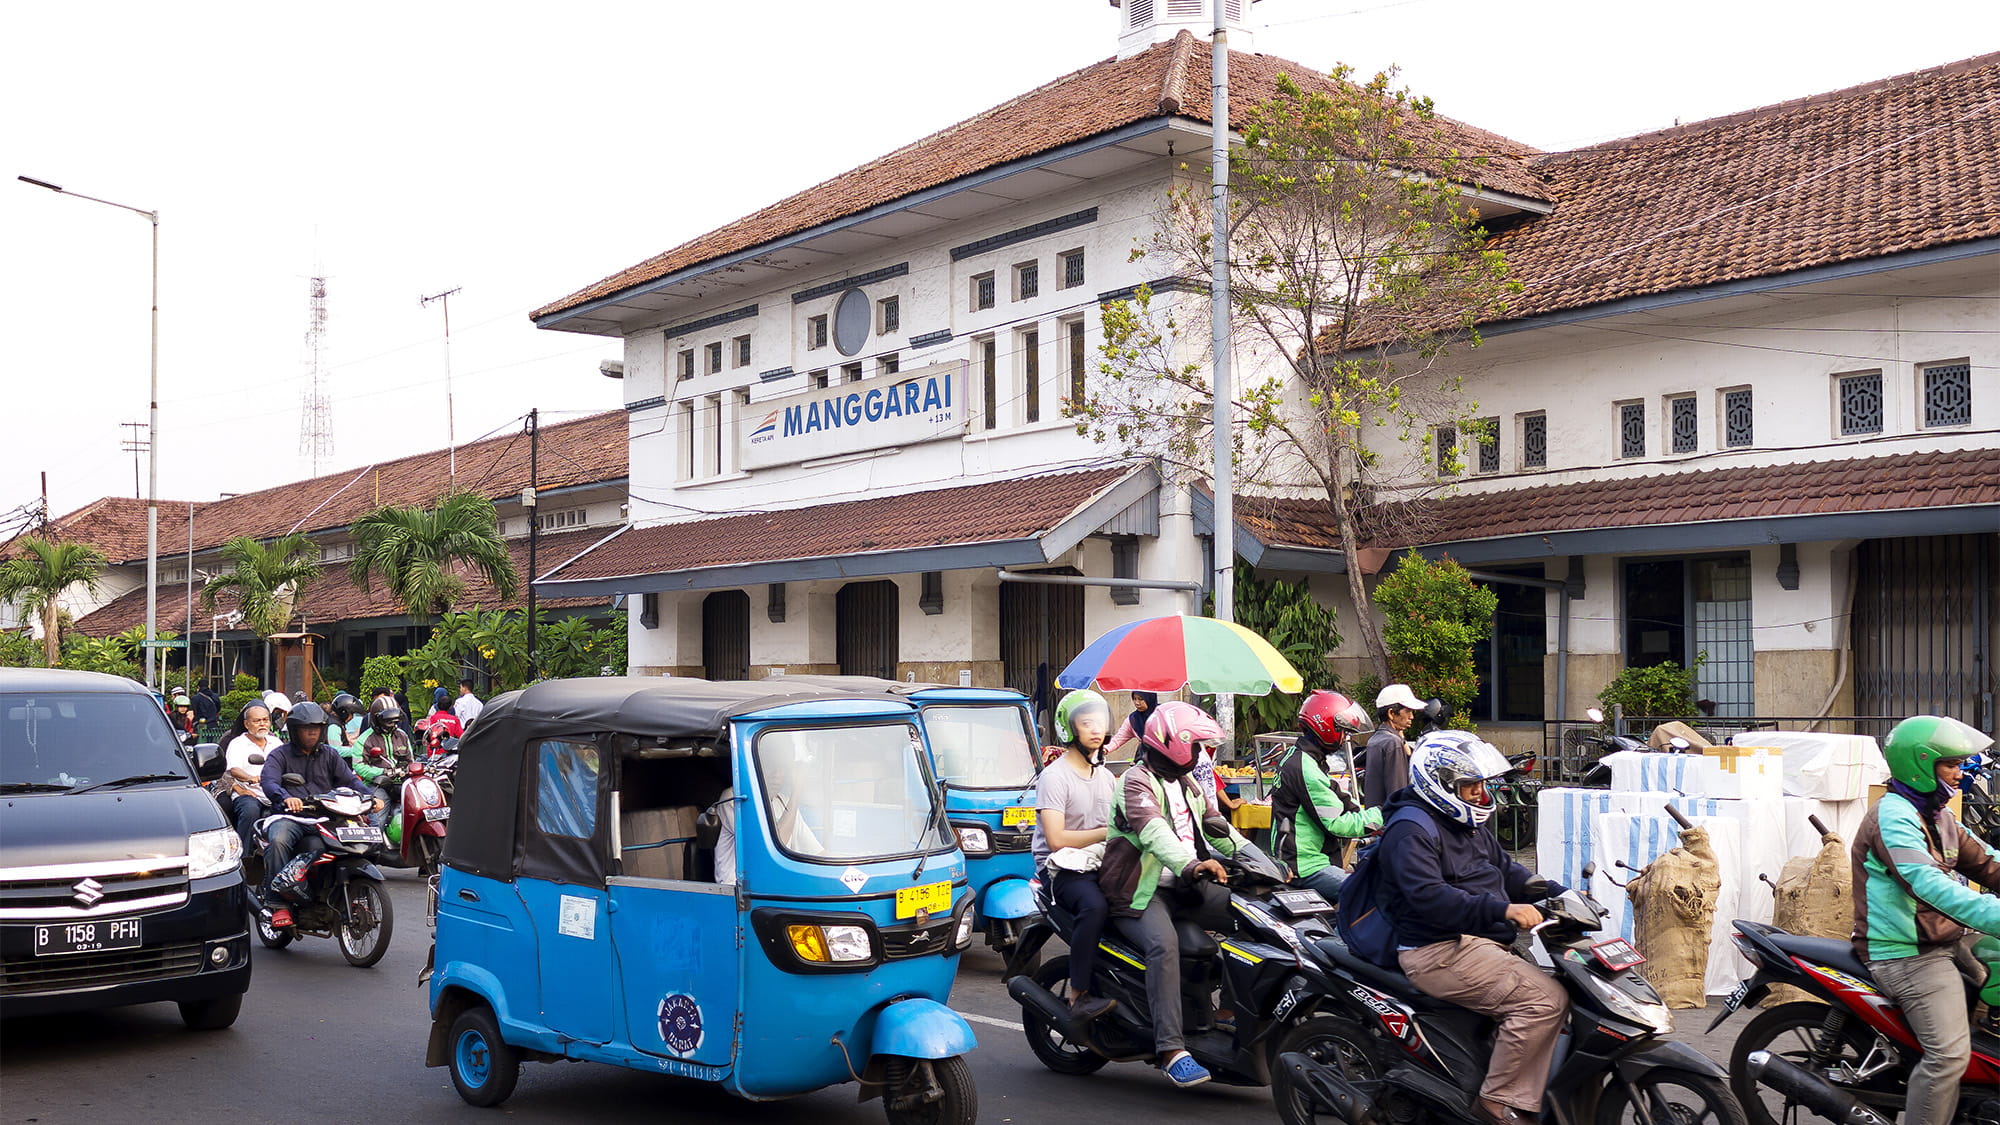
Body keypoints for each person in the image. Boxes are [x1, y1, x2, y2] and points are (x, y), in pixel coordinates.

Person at [1378, 730, 1569, 1125]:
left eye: (1482, 785)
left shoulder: (1465, 822)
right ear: (1441, 785)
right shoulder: (1410, 830)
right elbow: (1431, 898)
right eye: (1470, 786)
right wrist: (1503, 910)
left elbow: (1506, 870)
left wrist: (1560, 893)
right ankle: (1495, 1102)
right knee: (1544, 1001)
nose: (1481, 795)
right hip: (1437, 949)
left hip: (1478, 941)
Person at [1853, 715, 2000, 1125]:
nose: (1960, 772)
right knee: (1950, 1055)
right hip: (1904, 953)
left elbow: (1987, 863)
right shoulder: (1893, 816)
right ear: (1920, 764)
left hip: (1942, 941)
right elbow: (1929, 884)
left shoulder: (1939, 815)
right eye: (1950, 764)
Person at [1100, 701, 1249, 1089]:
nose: (1200, 754)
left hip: (1185, 886)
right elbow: (1153, 832)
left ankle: (1229, 1011)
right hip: (1140, 891)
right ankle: (1171, 1049)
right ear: (1173, 743)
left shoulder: (1188, 784)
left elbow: (1216, 827)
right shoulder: (1135, 781)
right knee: (1163, 946)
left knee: (1253, 918)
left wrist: (1258, 860)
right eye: (1196, 746)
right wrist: (1193, 865)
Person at [1033, 689, 1119, 1025]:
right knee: (1094, 906)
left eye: (1100, 722)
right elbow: (1056, 840)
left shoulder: (1107, 777)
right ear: (1070, 729)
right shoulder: (1054, 777)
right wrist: (1106, 833)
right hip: (1060, 869)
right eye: (1086, 723)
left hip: (1096, 859)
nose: (1096, 730)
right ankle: (1078, 994)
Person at [257, 701, 380, 928]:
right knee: (279, 840)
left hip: (326, 816)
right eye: (306, 728)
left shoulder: (330, 755)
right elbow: (269, 781)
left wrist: (370, 798)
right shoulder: (280, 755)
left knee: (357, 838)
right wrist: (286, 797)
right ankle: (278, 904)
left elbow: (350, 780)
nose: (312, 732)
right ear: (295, 730)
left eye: (316, 727)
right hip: (291, 817)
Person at [1274, 690, 1381, 899]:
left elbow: (1336, 796)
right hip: (1306, 866)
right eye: (1343, 731)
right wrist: (1383, 816)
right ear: (1326, 727)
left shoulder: (1301, 757)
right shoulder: (1304, 767)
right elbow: (1338, 824)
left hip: (1301, 858)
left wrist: (1371, 812)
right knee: (1370, 894)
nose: (1345, 738)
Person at [711, 737, 825, 885]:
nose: (777, 775)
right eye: (771, 766)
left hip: (773, 885)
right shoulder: (734, 798)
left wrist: (849, 862)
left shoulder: (782, 801)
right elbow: (774, 848)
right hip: (739, 892)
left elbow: (816, 851)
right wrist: (796, 791)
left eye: (782, 768)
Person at [218, 703, 283, 852]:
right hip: (248, 791)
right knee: (250, 811)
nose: (262, 724)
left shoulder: (276, 742)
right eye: (257, 721)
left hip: (273, 791)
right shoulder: (237, 743)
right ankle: (243, 856)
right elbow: (233, 769)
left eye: (265, 720)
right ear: (246, 724)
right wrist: (250, 778)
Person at [1361, 684, 1425, 809]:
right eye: (1408, 711)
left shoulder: (1376, 739)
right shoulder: (1393, 743)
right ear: (1391, 713)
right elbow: (1398, 793)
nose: (1411, 716)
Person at [352, 698, 414, 825]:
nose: (392, 723)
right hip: (376, 785)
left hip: (402, 782)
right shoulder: (365, 739)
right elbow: (358, 765)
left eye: (394, 720)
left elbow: (410, 760)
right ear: (377, 720)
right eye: (388, 720)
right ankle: (377, 843)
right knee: (378, 821)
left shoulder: (402, 735)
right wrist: (382, 772)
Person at [1102, 690, 1160, 760]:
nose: (1137, 703)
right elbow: (1118, 739)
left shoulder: (1163, 714)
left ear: (1150, 698)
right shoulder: (1133, 720)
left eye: (1141, 699)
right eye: (1134, 699)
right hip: (1145, 760)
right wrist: (1104, 749)